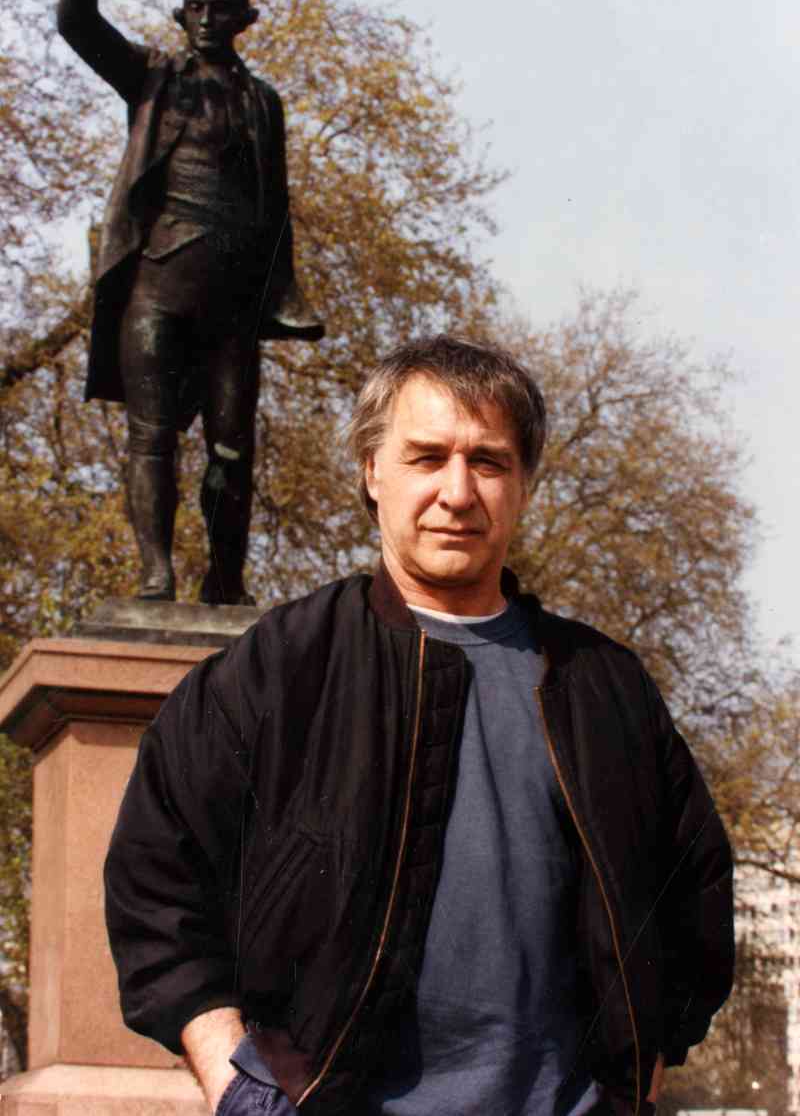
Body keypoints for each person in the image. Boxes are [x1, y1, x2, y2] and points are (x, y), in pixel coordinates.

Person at [104, 335, 734, 1116]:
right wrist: (232, 1078)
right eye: (427, 458)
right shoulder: (282, 665)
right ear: (373, 471)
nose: (458, 492)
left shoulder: (605, 685)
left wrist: (637, 1080)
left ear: (526, 482)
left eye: (490, 462)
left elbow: (694, 898)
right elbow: (155, 878)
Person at [57, 0, 324, 605]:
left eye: (220, 9)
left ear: (244, 20)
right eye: (196, 8)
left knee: (233, 453)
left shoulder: (263, 101)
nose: (207, 19)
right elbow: (77, 24)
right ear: (183, 16)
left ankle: (225, 578)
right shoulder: (153, 77)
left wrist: (283, 292)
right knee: (152, 438)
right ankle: (155, 573)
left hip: (232, 302)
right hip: (156, 290)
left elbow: (276, 207)